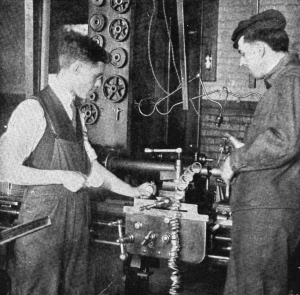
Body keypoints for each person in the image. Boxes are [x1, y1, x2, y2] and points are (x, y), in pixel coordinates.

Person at [0, 31, 153, 295]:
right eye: (95, 77)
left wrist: (133, 192)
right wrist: (61, 175)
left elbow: (90, 167)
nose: (97, 86)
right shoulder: (33, 109)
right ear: (77, 68)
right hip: (41, 231)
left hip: (75, 230)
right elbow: (5, 168)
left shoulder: (76, 112)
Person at [220, 9, 300, 295]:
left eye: (243, 54)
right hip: (266, 214)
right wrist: (249, 150)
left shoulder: (289, 81)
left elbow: (285, 141)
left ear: (260, 49)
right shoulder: (283, 83)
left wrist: (236, 160)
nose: (241, 62)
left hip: (266, 218)